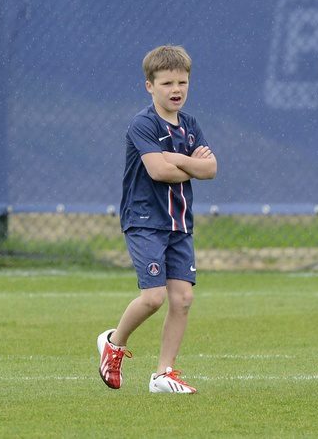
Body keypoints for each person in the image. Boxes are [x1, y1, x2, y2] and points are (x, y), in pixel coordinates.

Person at [97, 45, 217, 394]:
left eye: (182, 82)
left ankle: (164, 373)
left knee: (182, 299)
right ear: (150, 86)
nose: (176, 89)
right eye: (166, 83)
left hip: (180, 223)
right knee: (153, 298)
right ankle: (113, 343)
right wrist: (185, 163)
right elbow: (158, 171)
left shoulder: (191, 125)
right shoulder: (143, 123)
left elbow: (210, 168)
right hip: (146, 220)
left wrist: (177, 160)